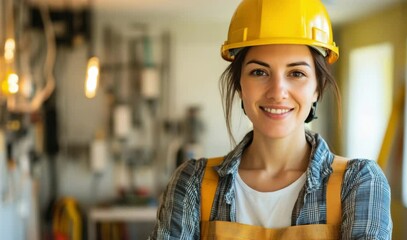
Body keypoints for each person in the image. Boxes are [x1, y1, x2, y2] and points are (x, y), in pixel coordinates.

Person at [149, 0, 392, 239]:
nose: (277, 92)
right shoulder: (192, 182)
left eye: (296, 73)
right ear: (239, 86)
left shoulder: (357, 183)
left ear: (318, 88)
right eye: (259, 72)